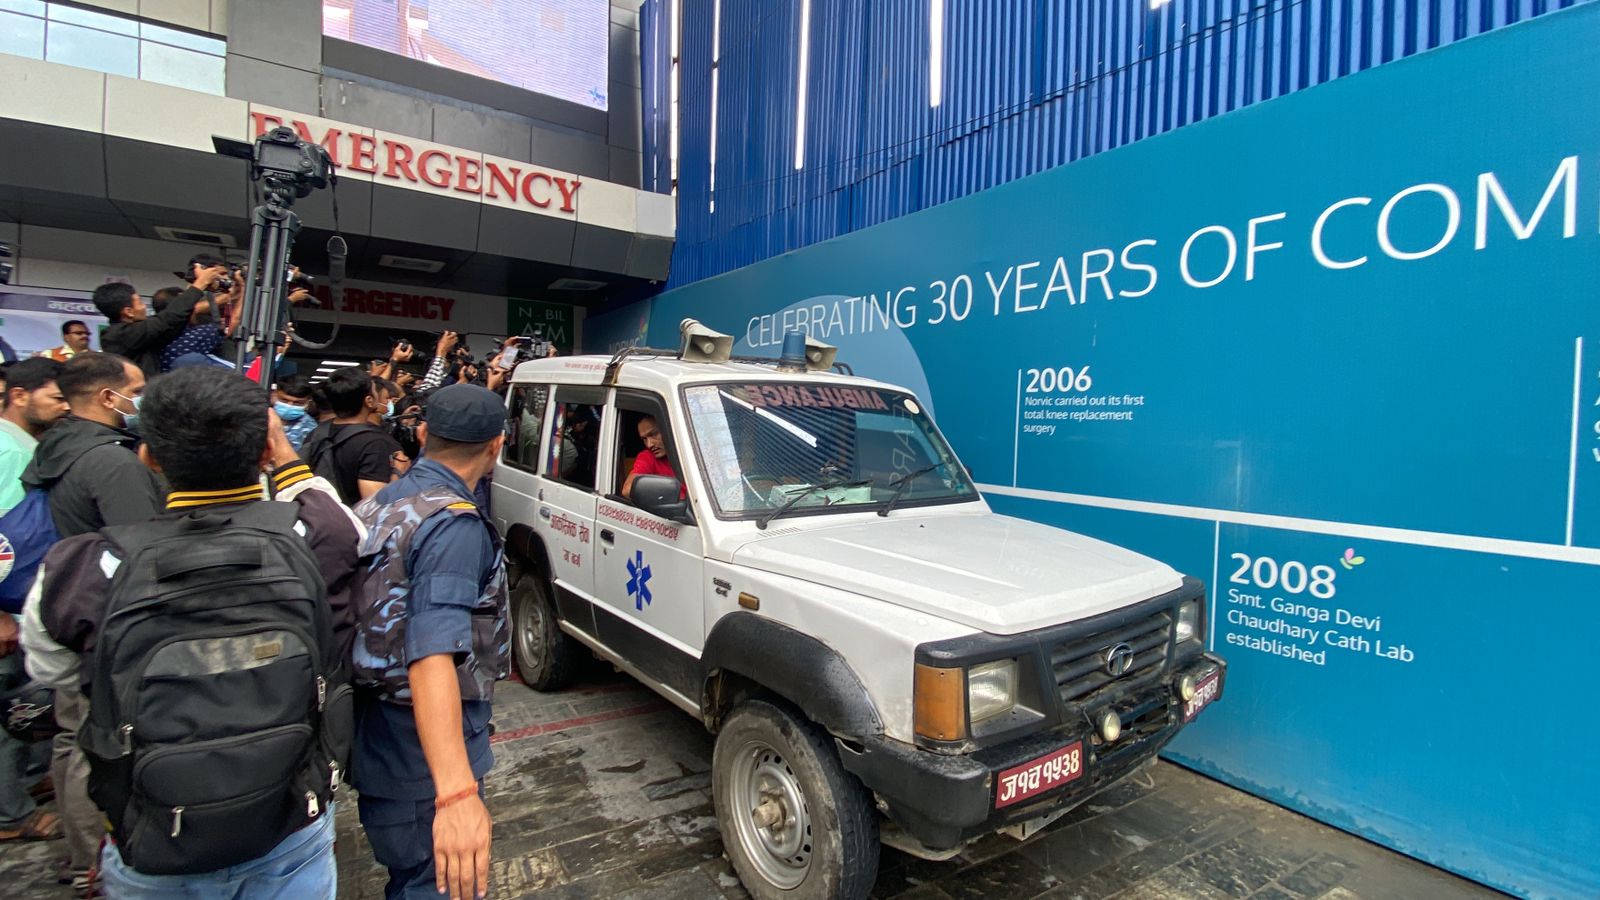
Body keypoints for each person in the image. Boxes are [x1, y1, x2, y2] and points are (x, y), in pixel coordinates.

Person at [21, 368, 363, 899]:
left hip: (152, 838)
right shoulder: (312, 536)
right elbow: (346, 525)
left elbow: (53, 671)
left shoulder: (86, 566)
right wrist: (286, 459)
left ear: (148, 458)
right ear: (263, 454)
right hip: (287, 826)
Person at [350, 383, 508, 900]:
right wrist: (457, 793)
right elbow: (431, 651)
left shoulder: (381, 504)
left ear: (422, 434)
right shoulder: (453, 527)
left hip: (380, 737)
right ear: (497, 446)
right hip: (423, 755)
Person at [17, 351, 161, 889]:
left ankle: (80, 852)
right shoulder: (112, 462)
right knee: (94, 746)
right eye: (137, 388)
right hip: (107, 619)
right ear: (108, 397)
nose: (141, 398)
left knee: (72, 738)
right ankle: (94, 864)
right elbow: (142, 544)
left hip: (67, 610)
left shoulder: (54, 445)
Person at [0, 357, 67, 847]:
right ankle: (9, 813)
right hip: (9, 609)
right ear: (19, 395)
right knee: (7, 714)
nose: (64, 406)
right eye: (55, 396)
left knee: (25, 703)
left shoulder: (30, 446)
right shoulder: (7, 450)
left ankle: (25, 785)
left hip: (28, 604)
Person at [95, 262, 225, 378]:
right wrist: (200, 284)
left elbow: (172, 325)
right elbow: (167, 320)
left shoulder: (136, 335)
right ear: (128, 312)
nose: (144, 306)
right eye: (139, 302)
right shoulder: (118, 336)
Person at [302, 367, 404, 505]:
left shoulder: (316, 433)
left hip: (319, 516)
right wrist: (398, 473)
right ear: (369, 401)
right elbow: (374, 504)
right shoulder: (374, 444)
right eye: (375, 391)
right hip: (352, 523)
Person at [0, 358, 67, 513]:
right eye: (59, 399)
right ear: (19, 396)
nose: (67, 407)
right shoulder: (15, 453)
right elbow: (10, 527)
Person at [622, 414, 680, 500]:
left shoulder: (692, 452)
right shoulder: (647, 457)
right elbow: (627, 490)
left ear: (668, 428)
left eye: (654, 434)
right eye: (644, 439)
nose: (649, 444)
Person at [273, 374, 318, 450]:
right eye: (284, 400)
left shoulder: (311, 429)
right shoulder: (258, 419)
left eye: (297, 403)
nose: (289, 406)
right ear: (274, 395)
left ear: (308, 402)